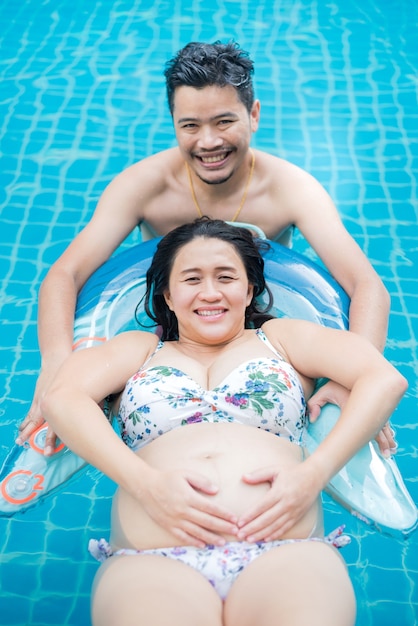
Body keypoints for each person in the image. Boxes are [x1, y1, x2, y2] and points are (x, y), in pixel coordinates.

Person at [19, 40, 393, 456]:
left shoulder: (291, 190)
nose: (208, 142)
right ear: (174, 122)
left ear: (253, 115)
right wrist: (54, 360)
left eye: (224, 121)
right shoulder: (145, 187)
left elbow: (366, 285)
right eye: (190, 125)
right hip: (169, 330)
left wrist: (351, 378)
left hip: (253, 328)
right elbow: (65, 274)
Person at [42, 218, 406, 626]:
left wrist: (314, 474)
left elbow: (383, 378)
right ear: (168, 292)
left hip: (286, 552)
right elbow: (63, 397)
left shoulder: (281, 339)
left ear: (249, 289)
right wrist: (146, 483)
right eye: (192, 278)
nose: (210, 292)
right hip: (154, 561)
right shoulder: (138, 350)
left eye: (226, 277)